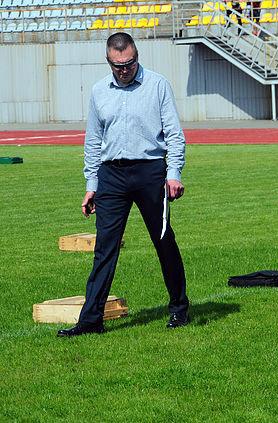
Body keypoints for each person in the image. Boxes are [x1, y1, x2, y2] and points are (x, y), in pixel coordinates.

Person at [58, 32, 190, 337]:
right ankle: (91, 321)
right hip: (111, 176)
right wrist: (91, 184)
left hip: (150, 173)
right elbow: (92, 141)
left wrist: (174, 173)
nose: (124, 69)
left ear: (137, 57)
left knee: (163, 240)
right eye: (118, 65)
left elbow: (173, 133)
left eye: (129, 63)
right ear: (108, 61)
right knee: (105, 248)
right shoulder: (98, 91)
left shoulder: (157, 85)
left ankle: (179, 309)